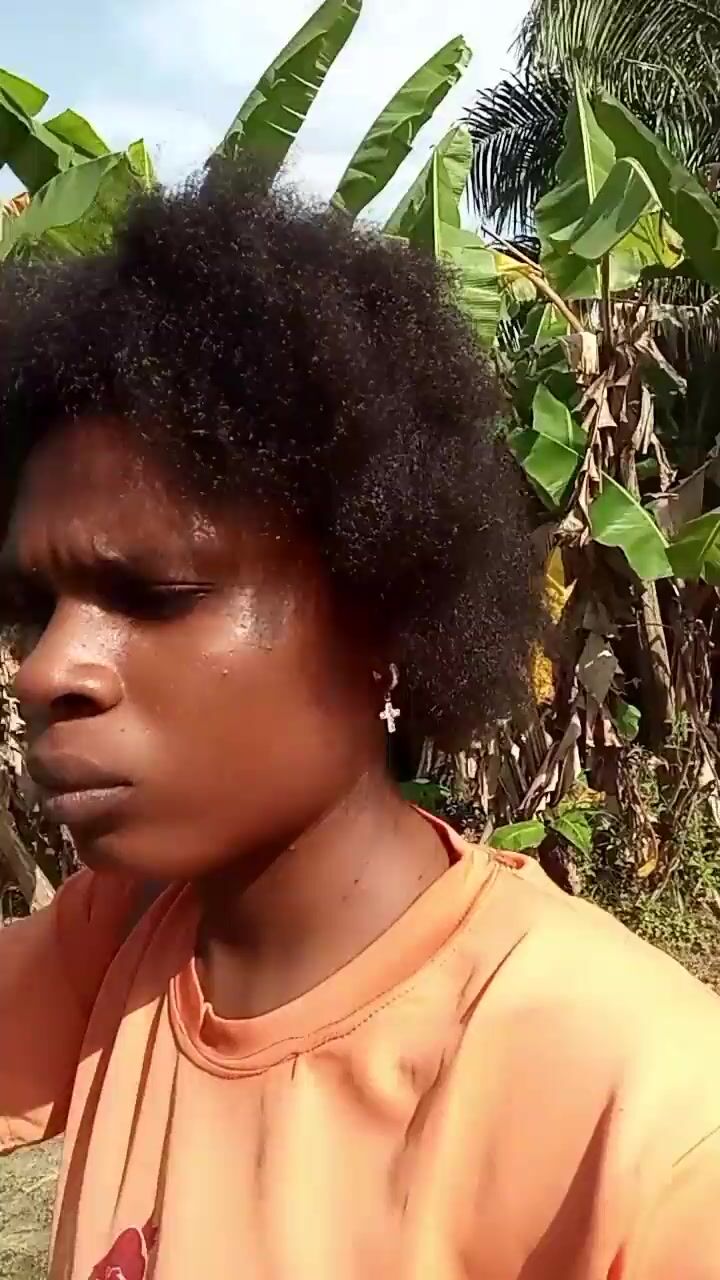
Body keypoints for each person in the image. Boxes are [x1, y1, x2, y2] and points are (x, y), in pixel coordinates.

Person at [0, 170, 719, 1280]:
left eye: (155, 594)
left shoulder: (642, 1119)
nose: (48, 669)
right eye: (35, 609)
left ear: (381, 613)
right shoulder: (123, 939)